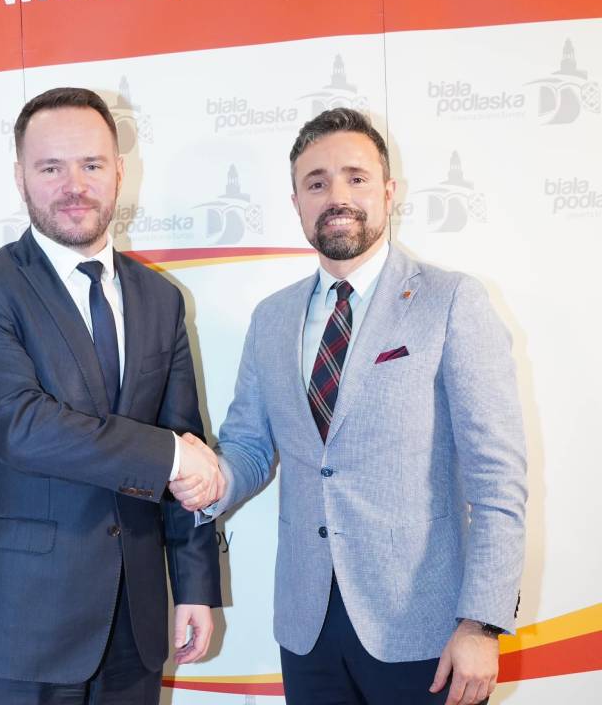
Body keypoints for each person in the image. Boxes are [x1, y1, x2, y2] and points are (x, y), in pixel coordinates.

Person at [171, 108, 527, 705]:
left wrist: (481, 623)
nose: (337, 196)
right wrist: (212, 482)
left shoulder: (450, 301)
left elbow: (497, 479)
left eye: (355, 178)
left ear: (388, 191)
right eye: (317, 183)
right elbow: (251, 446)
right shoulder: (272, 318)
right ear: (296, 203)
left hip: (426, 630)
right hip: (307, 627)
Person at [0, 87, 222, 705]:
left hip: (136, 625)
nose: (75, 185)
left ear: (119, 170)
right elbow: (21, 427)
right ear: (20, 177)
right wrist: (172, 455)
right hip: (23, 628)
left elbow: (188, 438)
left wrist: (195, 584)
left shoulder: (160, 299)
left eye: (91, 164)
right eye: (51, 168)